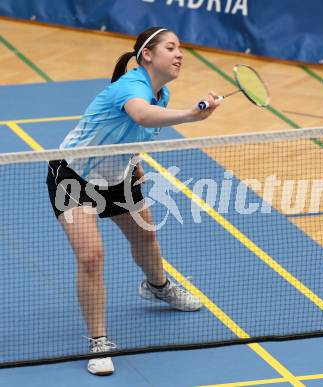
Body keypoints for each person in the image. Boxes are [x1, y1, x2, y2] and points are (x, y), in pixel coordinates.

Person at [46, 27, 220, 376]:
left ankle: (157, 287)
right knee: (92, 257)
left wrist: (135, 163)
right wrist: (192, 115)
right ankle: (98, 341)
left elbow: (136, 131)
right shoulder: (131, 86)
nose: (179, 54)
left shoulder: (163, 93)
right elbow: (140, 115)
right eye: (171, 47)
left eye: (180, 48)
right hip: (75, 177)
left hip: (119, 175)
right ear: (147, 56)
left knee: (147, 237)